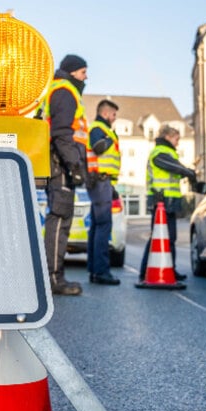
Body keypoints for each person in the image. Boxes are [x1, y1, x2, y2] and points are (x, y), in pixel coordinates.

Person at [42, 54, 89, 295]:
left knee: (60, 218)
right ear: (72, 72)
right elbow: (61, 133)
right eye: (83, 72)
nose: (86, 77)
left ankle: (54, 275)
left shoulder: (61, 90)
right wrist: (74, 164)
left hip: (60, 162)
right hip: (60, 164)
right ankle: (53, 278)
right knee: (59, 218)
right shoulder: (65, 91)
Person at [139, 125, 198, 282]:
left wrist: (186, 172)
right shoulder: (160, 152)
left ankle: (170, 269)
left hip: (167, 201)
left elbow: (173, 170)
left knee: (169, 238)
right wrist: (187, 172)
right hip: (161, 201)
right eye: (176, 139)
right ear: (167, 137)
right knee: (158, 237)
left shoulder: (168, 153)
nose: (178, 143)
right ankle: (145, 271)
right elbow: (170, 165)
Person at [86, 99, 121, 285]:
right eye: (114, 115)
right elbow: (98, 147)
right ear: (106, 113)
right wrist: (110, 138)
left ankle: (94, 270)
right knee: (103, 226)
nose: (115, 119)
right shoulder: (99, 128)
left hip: (101, 182)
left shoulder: (100, 128)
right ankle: (101, 272)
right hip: (100, 182)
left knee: (96, 226)